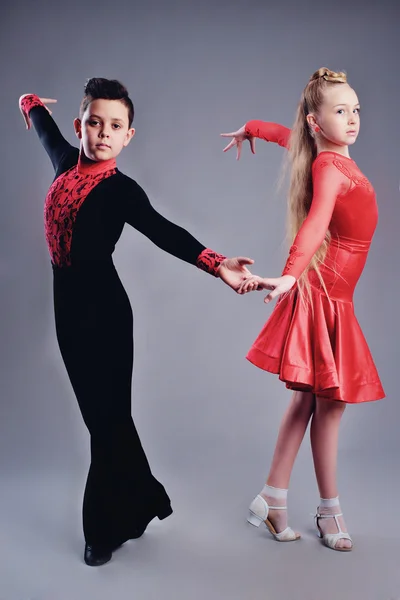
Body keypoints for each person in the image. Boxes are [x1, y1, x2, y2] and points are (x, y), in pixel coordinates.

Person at [19, 78, 255, 566]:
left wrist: (217, 264)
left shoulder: (122, 191)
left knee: (105, 426)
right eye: (96, 123)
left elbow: (166, 232)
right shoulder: (65, 161)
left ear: (129, 136)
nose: (104, 132)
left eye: (116, 126)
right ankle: (142, 498)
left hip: (106, 315)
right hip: (68, 315)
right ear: (80, 125)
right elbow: (41, 128)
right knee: (105, 420)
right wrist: (30, 102)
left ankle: (99, 531)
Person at [221, 67, 385, 551]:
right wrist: (293, 272)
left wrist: (251, 127)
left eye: (355, 108)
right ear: (317, 122)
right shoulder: (330, 168)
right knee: (328, 404)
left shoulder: (324, 154)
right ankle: (328, 510)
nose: (353, 118)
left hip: (334, 293)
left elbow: (284, 136)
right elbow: (315, 223)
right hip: (324, 290)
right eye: (340, 111)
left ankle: (272, 498)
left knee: (310, 401)